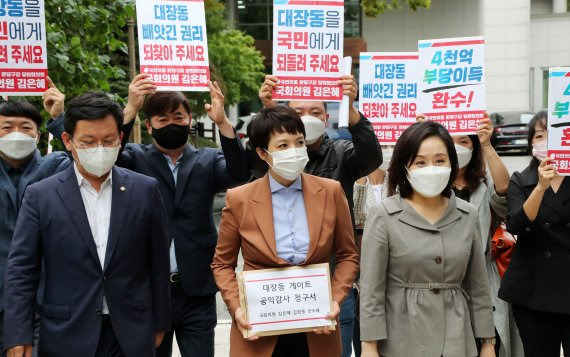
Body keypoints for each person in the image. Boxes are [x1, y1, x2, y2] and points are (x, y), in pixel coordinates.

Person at [46, 75, 251, 357]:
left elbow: (240, 173)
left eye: (177, 117)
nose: (170, 124)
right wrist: (130, 106)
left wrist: (223, 122)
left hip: (196, 288)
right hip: (149, 290)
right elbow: (96, 155)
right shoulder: (134, 158)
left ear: (190, 120)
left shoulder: (207, 159)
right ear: (149, 125)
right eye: (162, 119)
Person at [4, 91, 171, 357]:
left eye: (108, 140)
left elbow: (158, 262)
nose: (100, 149)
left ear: (119, 139)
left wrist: (161, 320)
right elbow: (22, 270)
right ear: (68, 141)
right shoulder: (41, 196)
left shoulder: (145, 190)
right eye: (89, 142)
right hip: (66, 332)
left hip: (131, 331)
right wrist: (18, 334)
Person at [211, 105, 359, 357]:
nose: (294, 151)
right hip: (260, 325)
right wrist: (237, 308)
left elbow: (347, 255)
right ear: (263, 153)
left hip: (317, 325)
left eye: (299, 142)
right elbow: (222, 264)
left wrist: (335, 298)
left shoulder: (331, 191)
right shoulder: (240, 199)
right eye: (283, 146)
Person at [259, 74, 382, 357]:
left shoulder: (341, 153)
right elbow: (249, 167)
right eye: (297, 112)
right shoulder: (272, 156)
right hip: (279, 284)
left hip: (332, 281)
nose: (306, 118)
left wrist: (353, 114)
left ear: (326, 118)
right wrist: (267, 112)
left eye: (315, 112)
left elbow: (371, 157)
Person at [359, 121, 496, 357]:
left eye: (440, 160)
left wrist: (487, 342)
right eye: (420, 162)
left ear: (452, 163)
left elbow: (478, 286)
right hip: (402, 338)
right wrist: (369, 346)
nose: (431, 168)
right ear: (405, 166)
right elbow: (372, 289)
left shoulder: (467, 214)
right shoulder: (383, 215)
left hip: (456, 338)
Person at [0, 80, 74, 354]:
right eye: (7, 128)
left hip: (47, 299)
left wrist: (59, 117)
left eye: (26, 127)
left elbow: (85, 161)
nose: (16, 134)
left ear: (38, 136)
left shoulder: (55, 166)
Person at [448, 116, 523, 357]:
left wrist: (487, 144)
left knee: (489, 342)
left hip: (483, 277)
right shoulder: (429, 184)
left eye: (464, 142)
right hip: (444, 278)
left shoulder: (483, 183)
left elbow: (504, 191)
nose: (457, 147)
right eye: (450, 141)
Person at [498, 111, 570, 357]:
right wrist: (541, 187)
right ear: (531, 144)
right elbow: (516, 224)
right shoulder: (522, 180)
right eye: (539, 135)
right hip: (534, 292)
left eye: (554, 134)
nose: (546, 141)